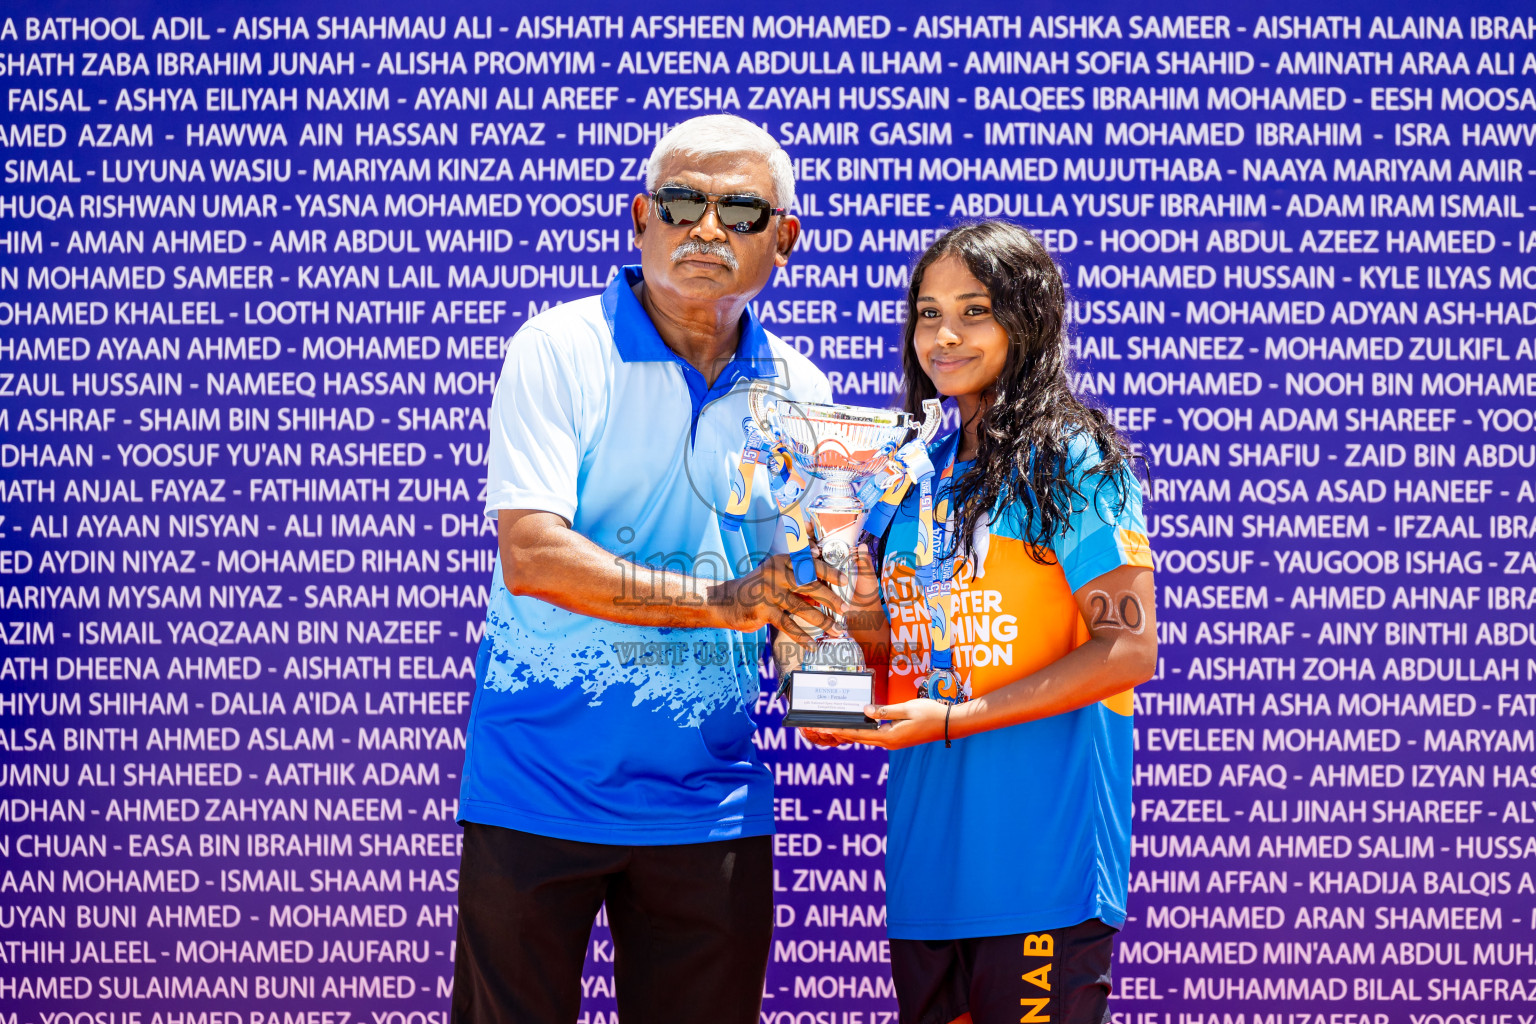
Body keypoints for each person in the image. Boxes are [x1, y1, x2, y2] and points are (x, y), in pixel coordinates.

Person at [453, 115, 842, 1024]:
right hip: (536, 788)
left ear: (785, 240)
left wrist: (834, 663)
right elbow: (535, 556)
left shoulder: (804, 392)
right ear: (640, 219)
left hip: (709, 803)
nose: (707, 229)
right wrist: (720, 603)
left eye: (741, 209)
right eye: (681, 203)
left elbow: (800, 591)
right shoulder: (559, 348)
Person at [803, 221, 1158, 1024]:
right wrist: (838, 609)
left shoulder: (1072, 458)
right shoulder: (903, 474)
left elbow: (1129, 648)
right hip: (929, 875)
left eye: (975, 310)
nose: (945, 334)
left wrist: (955, 720)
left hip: (1041, 871)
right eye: (928, 313)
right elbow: (898, 653)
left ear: (1027, 320)